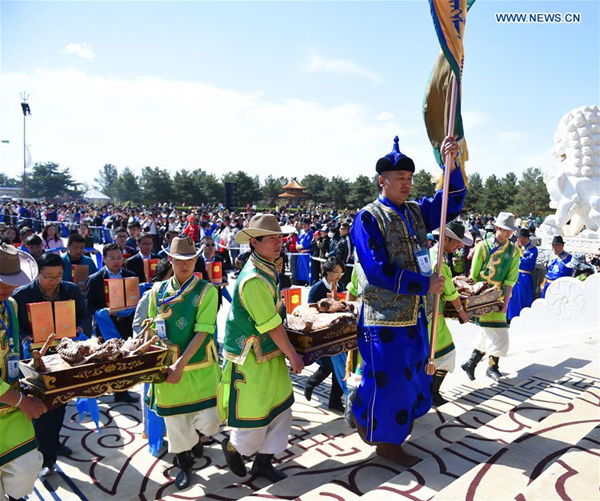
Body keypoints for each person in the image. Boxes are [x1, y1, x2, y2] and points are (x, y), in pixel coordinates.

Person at [350, 134, 465, 466]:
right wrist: (424, 283)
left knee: (416, 376)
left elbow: (451, 202)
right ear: (382, 181)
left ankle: (364, 408)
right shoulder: (369, 217)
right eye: (400, 179)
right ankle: (386, 441)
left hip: (415, 315)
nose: (407, 184)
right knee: (391, 382)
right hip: (382, 320)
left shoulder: (415, 212)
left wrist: (451, 162)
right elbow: (377, 270)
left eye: (410, 179)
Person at [219, 214, 304, 482]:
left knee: (281, 409)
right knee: (253, 416)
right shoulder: (254, 277)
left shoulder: (267, 266)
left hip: (270, 352)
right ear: (254, 242)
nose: (278, 243)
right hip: (251, 358)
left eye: (280, 238)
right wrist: (293, 354)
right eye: (271, 239)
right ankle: (233, 447)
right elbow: (269, 324)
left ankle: (263, 463)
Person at [145, 237, 222, 490]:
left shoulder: (207, 291)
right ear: (170, 260)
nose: (184, 264)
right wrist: (148, 357)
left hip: (200, 365)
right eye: (179, 260)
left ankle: (198, 439)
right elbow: (150, 328)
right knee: (176, 424)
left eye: (189, 259)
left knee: (211, 418)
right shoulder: (157, 291)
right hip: (167, 368)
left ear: (196, 260)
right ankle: (185, 464)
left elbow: (203, 331)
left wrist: (180, 364)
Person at [13, 252, 91, 479]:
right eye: (48, 276)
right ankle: (45, 456)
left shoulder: (70, 290)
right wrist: (25, 337)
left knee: (60, 402)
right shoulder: (22, 294)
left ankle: (52, 444)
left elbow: (84, 315)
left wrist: (79, 329)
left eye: (58, 275)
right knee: (41, 407)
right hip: (36, 356)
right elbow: (15, 326)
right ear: (37, 274)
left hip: (64, 353)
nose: (54, 280)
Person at [0, 244, 47, 500]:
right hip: (13, 401)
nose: (8, 289)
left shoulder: (11, 306)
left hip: (11, 406)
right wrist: (21, 401)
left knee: (26, 469)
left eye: (11, 283)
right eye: (2, 282)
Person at [461, 212, 520, 382]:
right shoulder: (483, 246)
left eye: (511, 230)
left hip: (499, 296)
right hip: (482, 295)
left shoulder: (514, 250)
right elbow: (473, 274)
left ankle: (473, 363)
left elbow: (511, 279)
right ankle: (491, 367)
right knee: (497, 332)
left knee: (495, 331)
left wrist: (506, 302)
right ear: (496, 228)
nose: (509, 233)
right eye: (505, 230)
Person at [84, 243, 138, 403]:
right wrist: (105, 311)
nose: (116, 261)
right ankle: (101, 389)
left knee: (124, 358)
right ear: (104, 259)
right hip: (105, 324)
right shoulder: (94, 279)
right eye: (111, 258)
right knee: (105, 358)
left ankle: (122, 391)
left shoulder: (130, 275)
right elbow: (88, 304)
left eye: (119, 257)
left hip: (125, 323)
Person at [428, 221, 472, 406]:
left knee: (429, 356)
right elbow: (451, 293)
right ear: (445, 239)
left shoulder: (431, 254)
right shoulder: (441, 262)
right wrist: (462, 312)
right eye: (456, 242)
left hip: (425, 314)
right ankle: (432, 392)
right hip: (432, 317)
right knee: (447, 354)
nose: (459, 246)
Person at [304, 257, 348, 411]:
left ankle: (335, 401)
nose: (338, 275)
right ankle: (311, 383)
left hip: (338, 332)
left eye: (341, 273)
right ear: (327, 271)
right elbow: (310, 311)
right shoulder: (317, 288)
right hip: (322, 334)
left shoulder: (340, 285)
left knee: (341, 368)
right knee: (328, 365)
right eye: (336, 272)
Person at [507, 228, 538, 322]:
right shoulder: (516, 247)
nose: (518, 240)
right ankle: (511, 316)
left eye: (519, 237)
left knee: (523, 296)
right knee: (513, 297)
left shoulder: (533, 249)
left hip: (524, 276)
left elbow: (526, 262)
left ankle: (524, 317)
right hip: (515, 274)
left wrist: (519, 251)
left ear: (525, 238)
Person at [295, 219, 313, 285]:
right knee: (300, 267)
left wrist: (300, 247)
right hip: (301, 253)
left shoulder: (310, 233)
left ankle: (308, 281)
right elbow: (298, 240)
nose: (304, 226)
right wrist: (297, 245)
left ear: (308, 225)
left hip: (306, 253)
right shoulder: (302, 232)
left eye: (305, 224)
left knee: (307, 267)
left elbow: (307, 243)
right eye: (303, 225)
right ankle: (301, 280)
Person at [335, 222, 354, 287]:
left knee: (345, 280)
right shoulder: (341, 238)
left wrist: (345, 262)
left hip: (345, 264)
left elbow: (348, 251)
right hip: (340, 263)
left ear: (346, 230)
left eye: (342, 229)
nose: (340, 230)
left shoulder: (347, 239)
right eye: (340, 228)